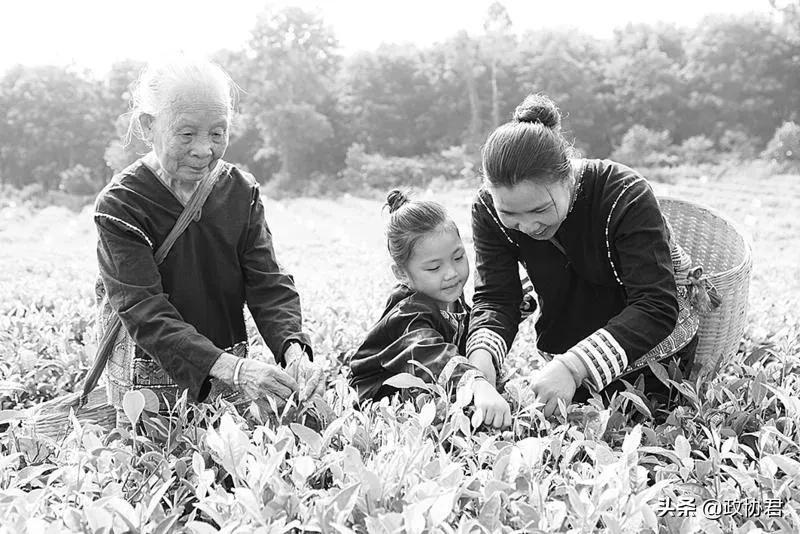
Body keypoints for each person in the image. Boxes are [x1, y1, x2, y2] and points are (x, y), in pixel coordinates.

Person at [93, 56, 322, 423]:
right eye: (187, 133)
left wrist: (293, 347)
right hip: (150, 379)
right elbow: (144, 311)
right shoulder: (121, 205)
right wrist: (236, 370)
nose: (204, 150)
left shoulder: (240, 190)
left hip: (229, 370)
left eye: (218, 133)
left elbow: (266, 281)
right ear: (149, 126)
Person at [466, 93, 702, 417]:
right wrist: (479, 372)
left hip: (649, 352)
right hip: (563, 355)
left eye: (539, 209)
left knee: (634, 414)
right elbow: (495, 297)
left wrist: (574, 368)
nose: (527, 226)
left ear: (567, 178)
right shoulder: (487, 212)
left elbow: (655, 306)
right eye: (510, 214)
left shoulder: (624, 194)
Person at [349, 190, 511, 429]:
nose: (451, 273)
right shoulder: (408, 313)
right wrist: (477, 384)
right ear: (402, 274)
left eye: (458, 257)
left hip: (424, 384)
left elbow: (466, 331)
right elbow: (431, 355)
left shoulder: (446, 293)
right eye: (434, 268)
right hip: (380, 398)